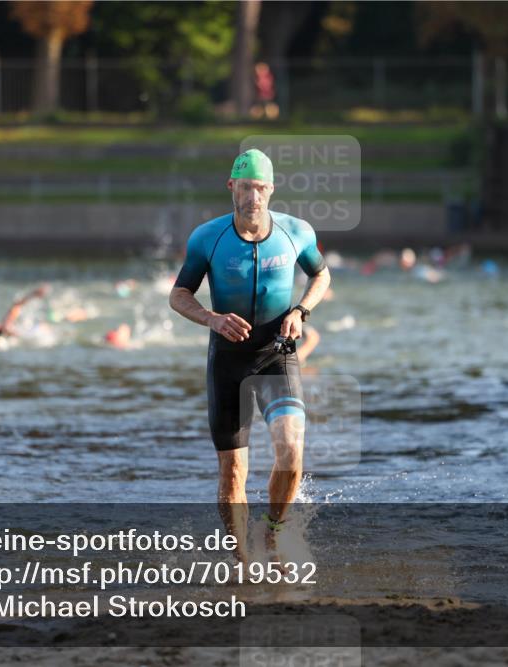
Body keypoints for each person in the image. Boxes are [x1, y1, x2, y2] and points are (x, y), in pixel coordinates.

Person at [169, 149, 331, 564]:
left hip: (277, 353)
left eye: (260, 188)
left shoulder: (296, 232)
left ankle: (273, 534)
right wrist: (211, 318)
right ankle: (242, 560)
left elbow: (321, 273)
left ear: (271, 190)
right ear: (231, 188)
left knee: (292, 448)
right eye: (245, 188)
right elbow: (178, 295)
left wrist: (300, 310)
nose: (253, 197)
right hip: (228, 360)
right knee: (233, 471)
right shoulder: (208, 237)